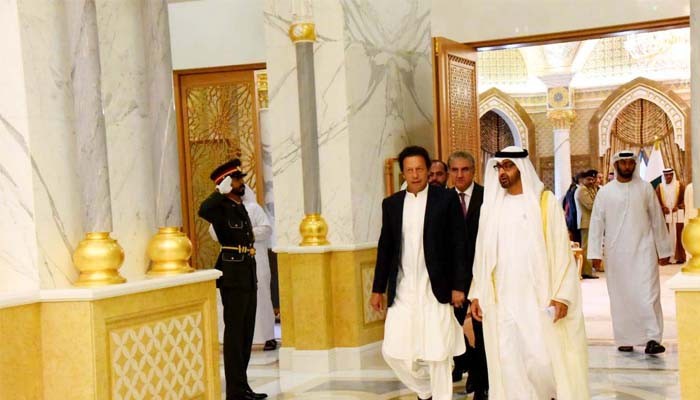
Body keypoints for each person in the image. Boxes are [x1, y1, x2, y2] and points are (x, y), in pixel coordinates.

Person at [469, 146, 589, 400]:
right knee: (509, 360)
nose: (502, 172)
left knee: (542, 361)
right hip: (502, 299)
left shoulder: (544, 203)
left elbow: (561, 252)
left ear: (522, 168)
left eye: (508, 166)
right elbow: (482, 254)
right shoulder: (491, 207)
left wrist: (562, 295)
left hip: (538, 297)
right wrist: (477, 292)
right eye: (499, 167)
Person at [370, 146, 467, 400]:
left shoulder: (445, 200)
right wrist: (377, 289)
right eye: (410, 170)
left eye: (420, 169)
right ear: (403, 172)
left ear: (428, 170)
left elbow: (459, 244)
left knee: (438, 353)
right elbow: (385, 248)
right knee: (392, 351)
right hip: (403, 290)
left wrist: (459, 286)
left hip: (436, 289)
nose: (415, 175)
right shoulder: (391, 204)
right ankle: (425, 391)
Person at [588, 151, 672, 354]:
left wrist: (664, 250)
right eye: (623, 163)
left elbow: (657, 219)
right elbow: (597, 224)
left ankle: (653, 338)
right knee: (621, 296)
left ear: (634, 165)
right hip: (617, 254)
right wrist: (595, 254)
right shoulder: (605, 192)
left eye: (630, 163)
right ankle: (625, 338)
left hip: (644, 251)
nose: (627, 166)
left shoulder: (645, 188)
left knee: (648, 295)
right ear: (616, 165)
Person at [198, 159, 267, 400]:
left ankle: (242, 386)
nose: (241, 183)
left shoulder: (240, 207)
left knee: (246, 333)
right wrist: (219, 192)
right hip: (233, 276)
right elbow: (203, 210)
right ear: (227, 183)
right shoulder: (220, 208)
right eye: (237, 179)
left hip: (247, 273)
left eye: (239, 179)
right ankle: (235, 391)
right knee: (235, 334)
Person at [447, 151, 487, 399]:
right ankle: (471, 371)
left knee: (482, 334)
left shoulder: (488, 197)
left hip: (482, 276)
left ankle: (482, 384)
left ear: (474, 171)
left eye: (465, 169)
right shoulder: (441, 200)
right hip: (453, 282)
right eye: (455, 170)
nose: (460, 175)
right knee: (459, 333)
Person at [656, 168, 686, 264]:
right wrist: (663, 208)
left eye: (670, 174)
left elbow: (684, 200)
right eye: (666, 175)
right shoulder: (660, 187)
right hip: (665, 216)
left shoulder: (679, 186)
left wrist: (678, 207)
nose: (668, 176)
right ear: (664, 176)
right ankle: (667, 258)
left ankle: (679, 257)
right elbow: (656, 202)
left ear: (673, 175)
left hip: (677, 215)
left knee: (678, 235)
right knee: (666, 236)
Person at [576, 169, 599, 279]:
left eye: (592, 179)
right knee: (586, 247)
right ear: (582, 180)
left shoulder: (590, 189)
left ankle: (588, 270)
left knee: (590, 246)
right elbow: (590, 205)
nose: (591, 181)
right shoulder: (582, 190)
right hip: (586, 222)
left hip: (590, 222)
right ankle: (586, 271)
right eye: (588, 179)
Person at [562, 174, 581, 243]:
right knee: (578, 240)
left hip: (570, 218)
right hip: (574, 219)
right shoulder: (576, 190)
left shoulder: (570, 190)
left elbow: (564, 204)